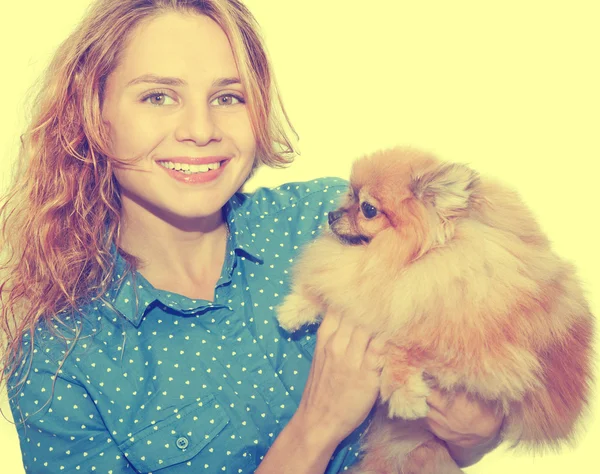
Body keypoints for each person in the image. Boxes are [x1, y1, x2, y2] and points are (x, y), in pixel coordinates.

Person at [0, 0, 503, 472]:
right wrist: (316, 427)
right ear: (92, 115)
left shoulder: (326, 221)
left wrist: (473, 430)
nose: (201, 129)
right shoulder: (58, 359)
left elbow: (463, 402)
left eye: (227, 96)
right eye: (158, 96)